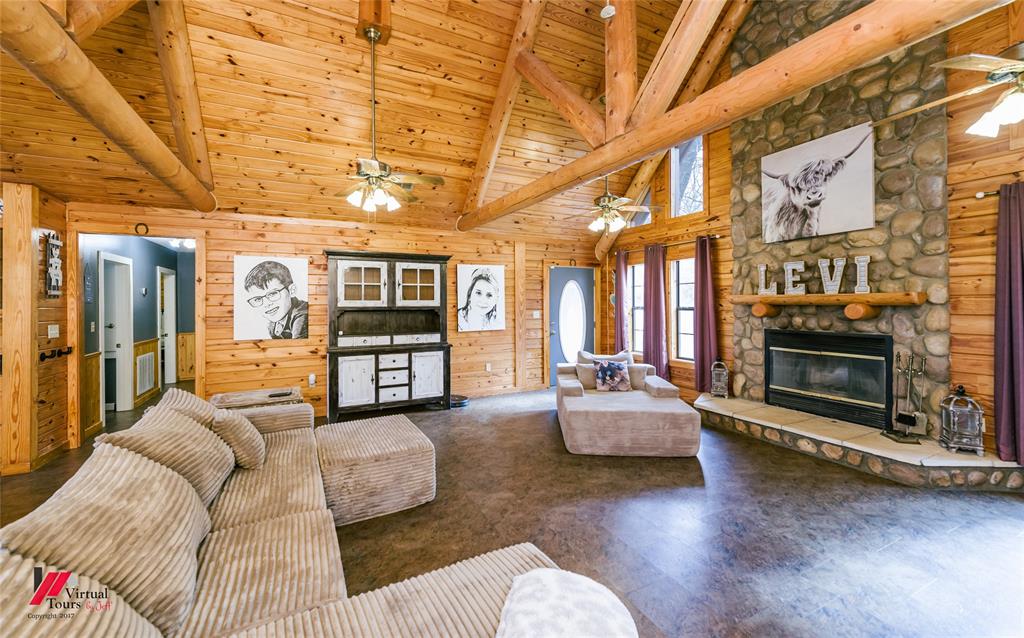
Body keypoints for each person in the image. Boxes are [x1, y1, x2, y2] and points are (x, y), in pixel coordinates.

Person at [243, 260, 308, 339]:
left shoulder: (303, 316)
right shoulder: (272, 325)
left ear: (292, 291)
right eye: (257, 299)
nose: (266, 304)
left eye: (272, 294)